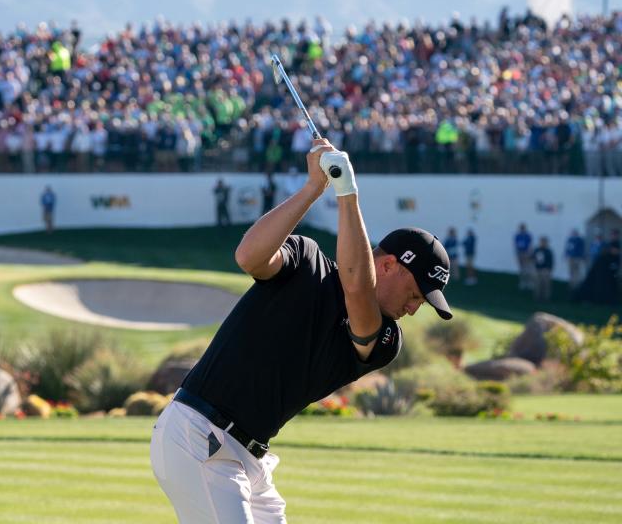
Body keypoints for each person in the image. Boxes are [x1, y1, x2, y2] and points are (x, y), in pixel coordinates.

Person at [151, 139, 452, 523]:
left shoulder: (385, 338)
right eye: (415, 294)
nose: (414, 308)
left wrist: (347, 194)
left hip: (247, 456)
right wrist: (315, 190)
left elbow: (357, 288)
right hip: (198, 436)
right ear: (390, 265)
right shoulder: (306, 259)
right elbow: (249, 256)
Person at [532, 236, 554, 302]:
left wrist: (548, 270)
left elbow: (551, 262)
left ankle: (546, 298)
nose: (543, 243)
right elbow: (533, 258)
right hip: (537, 270)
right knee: (537, 284)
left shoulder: (548, 251)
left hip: (545, 270)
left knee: (546, 285)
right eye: (541, 242)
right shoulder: (537, 250)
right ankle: (537, 298)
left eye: (544, 242)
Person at [514, 223, 533, 290]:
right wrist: (517, 253)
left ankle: (529, 282)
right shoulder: (517, 236)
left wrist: (529, 254)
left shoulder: (528, 235)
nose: (522, 229)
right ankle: (522, 282)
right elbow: (516, 245)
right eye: (521, 228)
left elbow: (530, 245)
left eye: (523, 228)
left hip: (526, 253)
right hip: (520, 253)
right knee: (521, 269)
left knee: (528, 268)